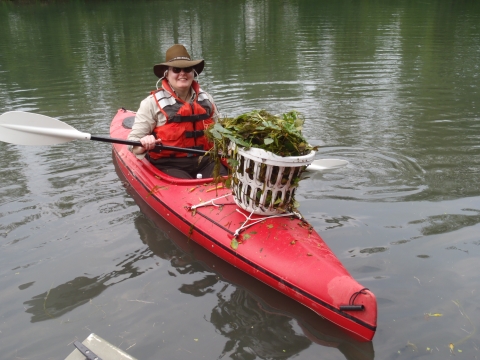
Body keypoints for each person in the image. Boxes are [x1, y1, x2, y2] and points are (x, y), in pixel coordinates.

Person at [128, 44, 227, 179]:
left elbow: (222, 133)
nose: (182, 73)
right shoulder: (150, 103)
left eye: (187, 69)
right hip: (169, 165)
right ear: (166, 74)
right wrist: (144, 143)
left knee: (224, 180)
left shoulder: (207, 99)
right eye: (176, 69)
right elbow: (133, 144)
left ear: (193, 73)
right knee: (184, 188)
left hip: (206, 161)